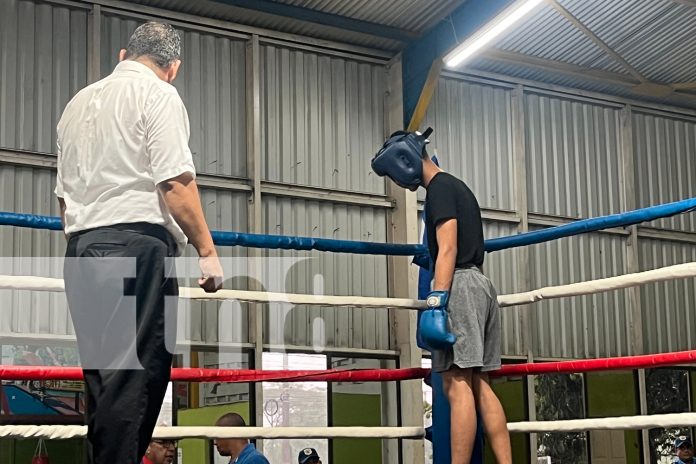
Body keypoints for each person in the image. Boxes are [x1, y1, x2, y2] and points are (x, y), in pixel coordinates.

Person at [55, 21, 223, 464]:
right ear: (174, 68)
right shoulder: (158, 94)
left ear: (122, 55)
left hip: (82, 250)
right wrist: (207, 252)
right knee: (137, 379)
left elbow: (63, 202)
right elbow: (175, 182)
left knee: (105, 383)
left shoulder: (76, 104)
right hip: (136, 245)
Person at [371, 128, 512, 464]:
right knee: (479, 384)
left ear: (405, 158)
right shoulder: (457, 186)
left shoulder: (439, 189)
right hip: (480, 285)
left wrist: (437, 298)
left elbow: (447, 247)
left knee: (456, 382)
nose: (398, 180)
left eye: (394, 171)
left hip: (459, 284)